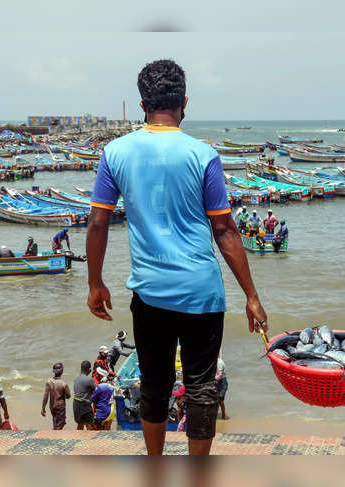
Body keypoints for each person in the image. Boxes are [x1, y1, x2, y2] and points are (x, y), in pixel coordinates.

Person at [86, 59, 267, 456]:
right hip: (202, 292)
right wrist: (251, 296)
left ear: (142, 104)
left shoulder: (114, 152)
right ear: (184, 101)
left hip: (150, 294)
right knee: (202, 387)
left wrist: (95, 283)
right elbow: (225, 230)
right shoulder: (203, 155)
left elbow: (98, 223)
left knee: (154, 382)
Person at [41, 362, 71, 430]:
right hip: (60, 407)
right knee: (60, 424)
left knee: (56, 422)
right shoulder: (64, 384)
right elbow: (68, 396)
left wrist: (43, 408)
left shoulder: (49, 382)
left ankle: (54, 434)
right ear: (62, 371)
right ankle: (55, 437)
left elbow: (46, 396)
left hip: (52, 406)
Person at [73, 360, 96, 430]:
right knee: (90, 425)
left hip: (76, 404)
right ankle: (89, 440)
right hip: (85, 406)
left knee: (80, 424)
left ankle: (79, 439)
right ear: (89, 370)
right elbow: (97, 390)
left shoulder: (76, 379)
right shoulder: (89, 379)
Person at [215, 355, 228, 420]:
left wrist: (211, 379)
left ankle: (223, 417)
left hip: (222, 383)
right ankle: (216, 415)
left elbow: (220, 375)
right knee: (216, 400)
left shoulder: (219, 362)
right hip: (217, 382)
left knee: (220, 400)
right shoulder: (215, 361)